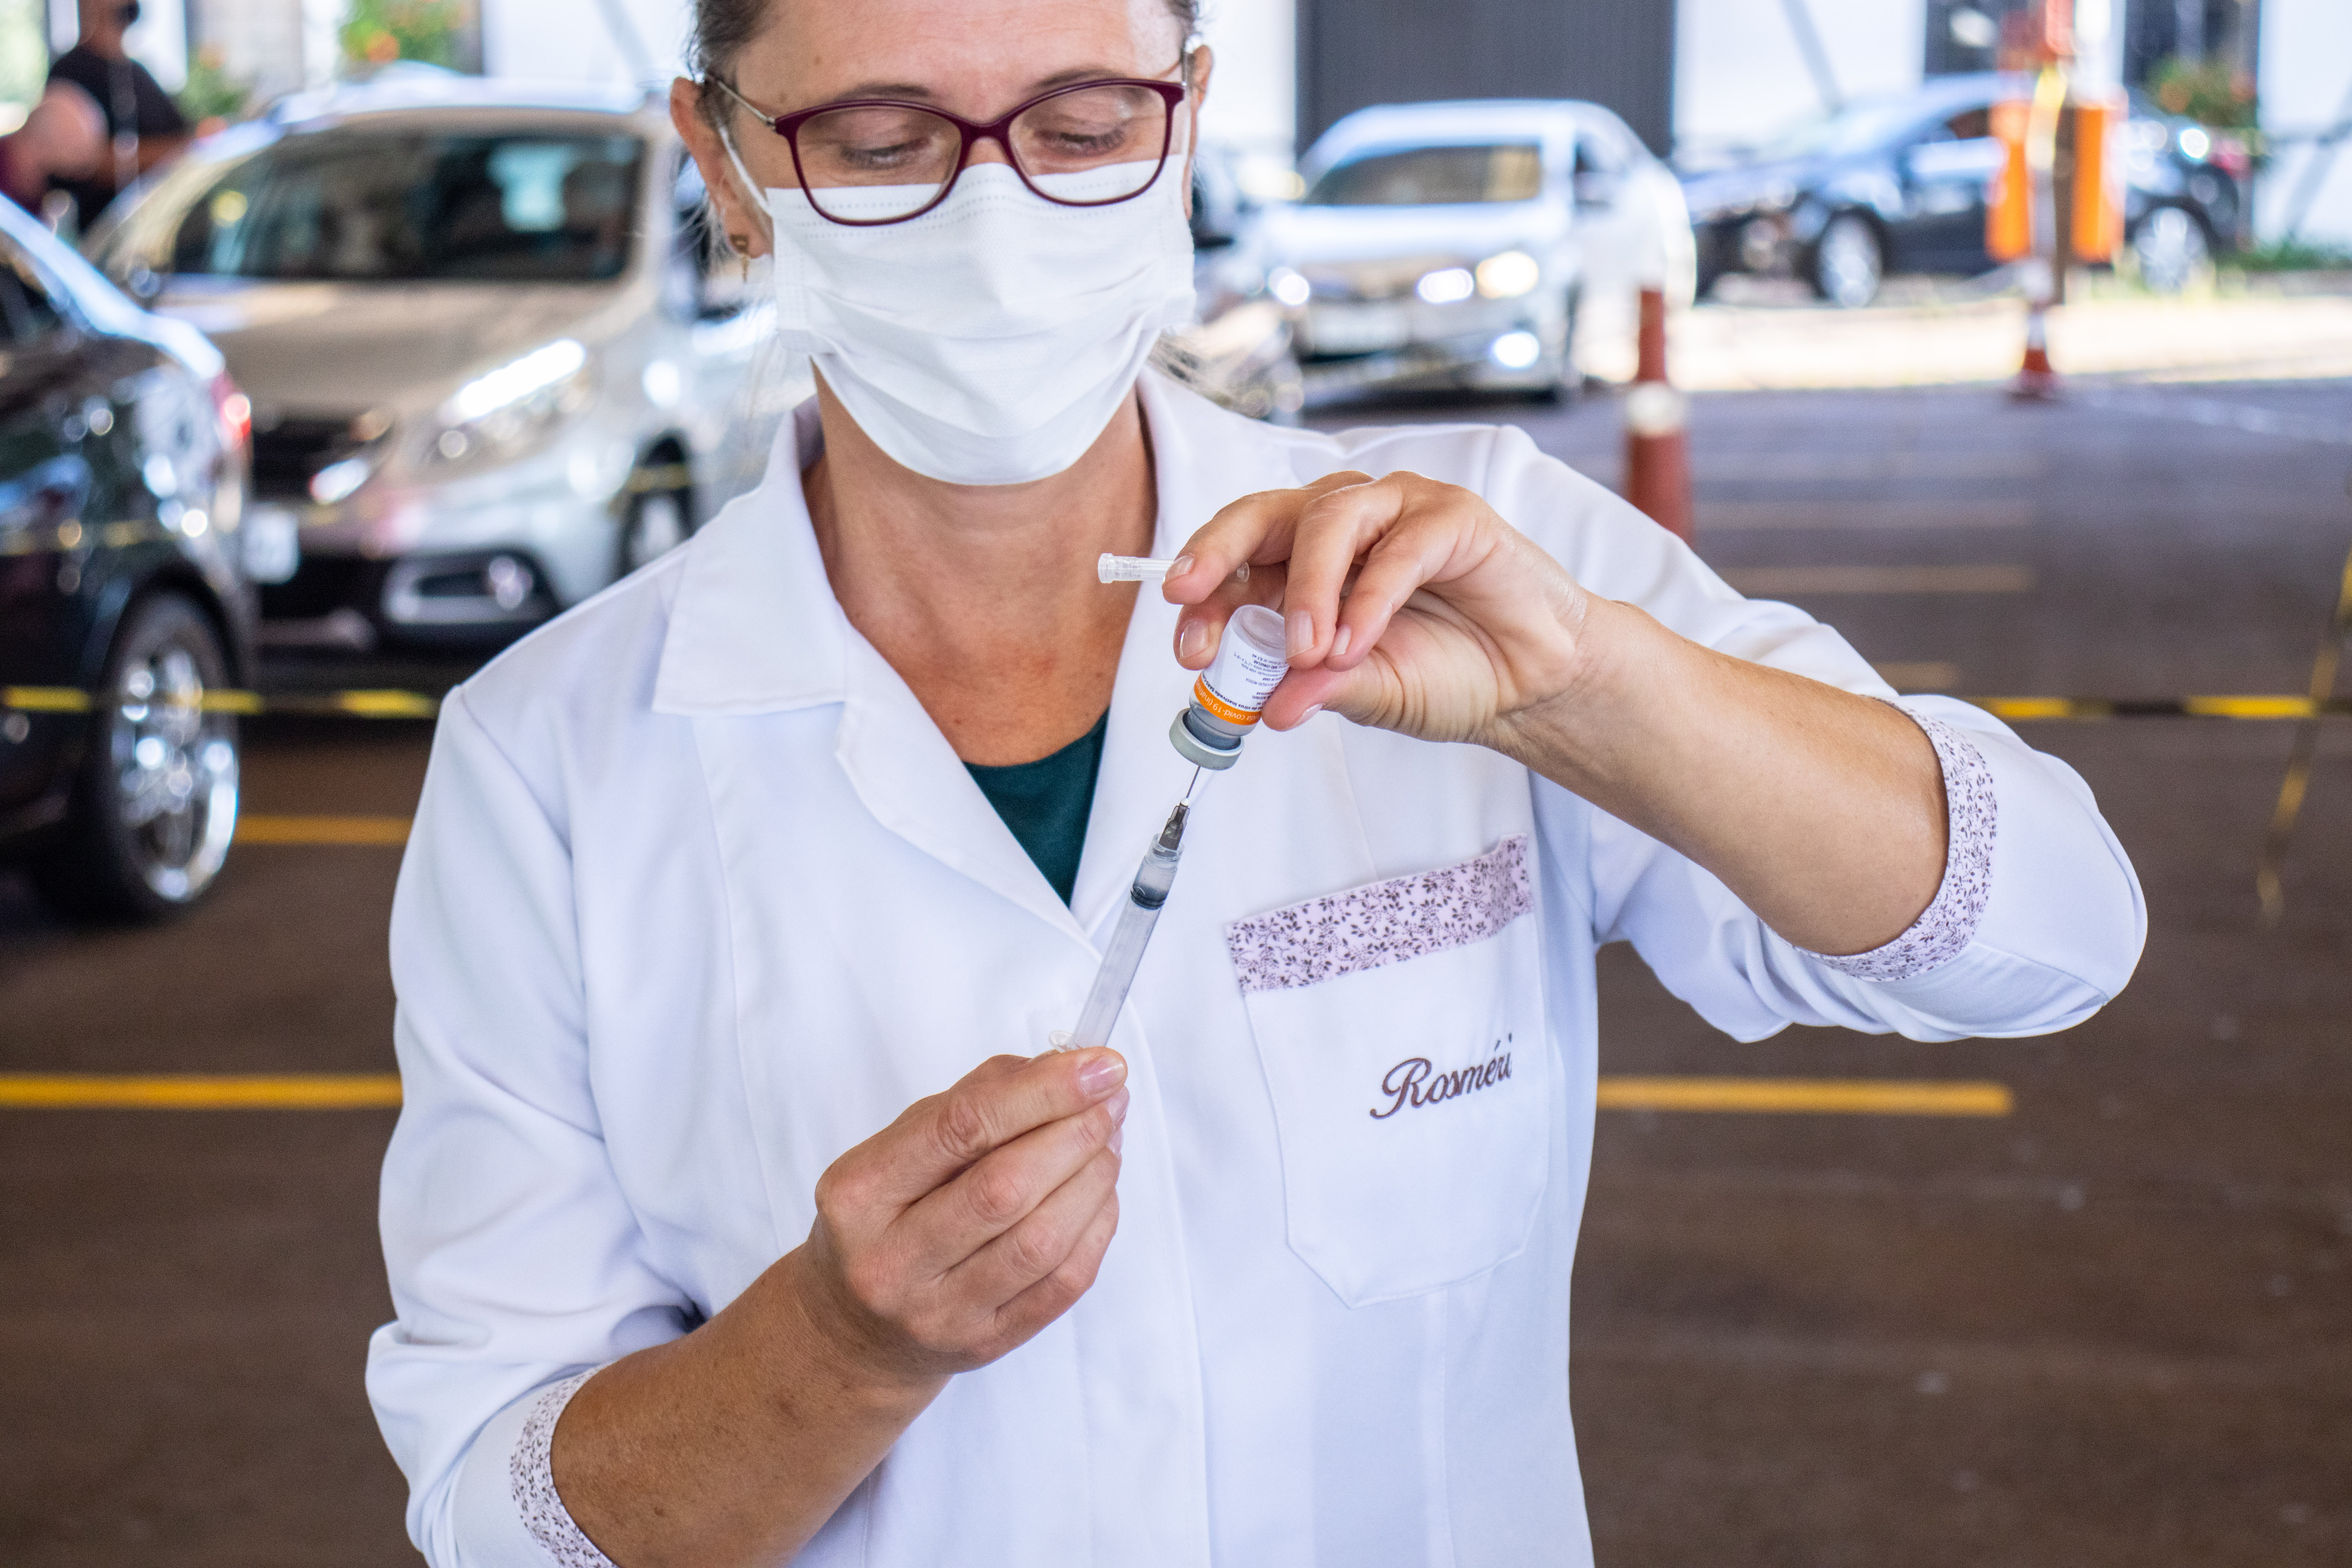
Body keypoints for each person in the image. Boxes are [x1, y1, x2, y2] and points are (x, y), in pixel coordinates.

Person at [364, 0, 2146, 1564]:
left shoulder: (1478, 551)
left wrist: (1592, 687)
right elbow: (502, 1509)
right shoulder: (553, 760)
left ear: (1189, 115)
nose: (995, 219)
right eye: (881, 144)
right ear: (727, 162)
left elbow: (2047, 931)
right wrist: (834, 1349)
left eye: (1082, 128)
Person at [46, 0, 189, 232]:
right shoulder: (69, 71)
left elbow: (182, 135)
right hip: (105, 232)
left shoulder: (137, 72)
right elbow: (90, 163)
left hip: (155, 227)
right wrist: (174, 151)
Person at [0, 82, 104, 221]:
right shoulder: (10, 185)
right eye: (67, 169)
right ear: (40, 147)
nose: (70, 177)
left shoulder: (35, 198)